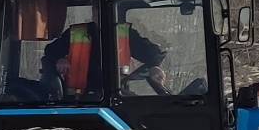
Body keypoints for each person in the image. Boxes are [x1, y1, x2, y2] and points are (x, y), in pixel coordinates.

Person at [36, 16, 168, 98]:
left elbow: (150, 51)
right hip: (79, 97)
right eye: (96, 10)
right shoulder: (77, 33)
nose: (100, 16)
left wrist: (154, 66)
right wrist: (60, 58)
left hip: (114, 93)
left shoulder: (125, 34)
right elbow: (51, 50)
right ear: (94, 14)